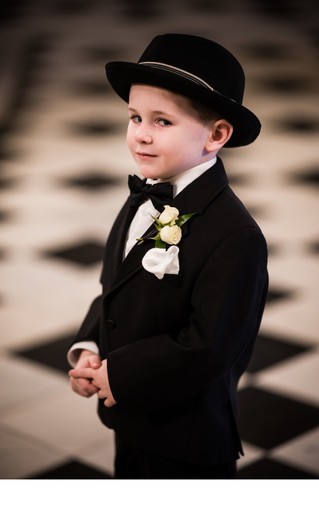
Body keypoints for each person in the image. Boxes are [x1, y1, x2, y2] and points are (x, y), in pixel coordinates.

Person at [68, 33, 268, 479]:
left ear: (216, 135)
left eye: (163, 122)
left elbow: (210, 347)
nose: (140, 134)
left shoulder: (235, 236)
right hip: (131, 418)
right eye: (135, 116)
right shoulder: (142, 198)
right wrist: (92, 347)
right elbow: (115, 290)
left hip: (187, 436)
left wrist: (121, 374)